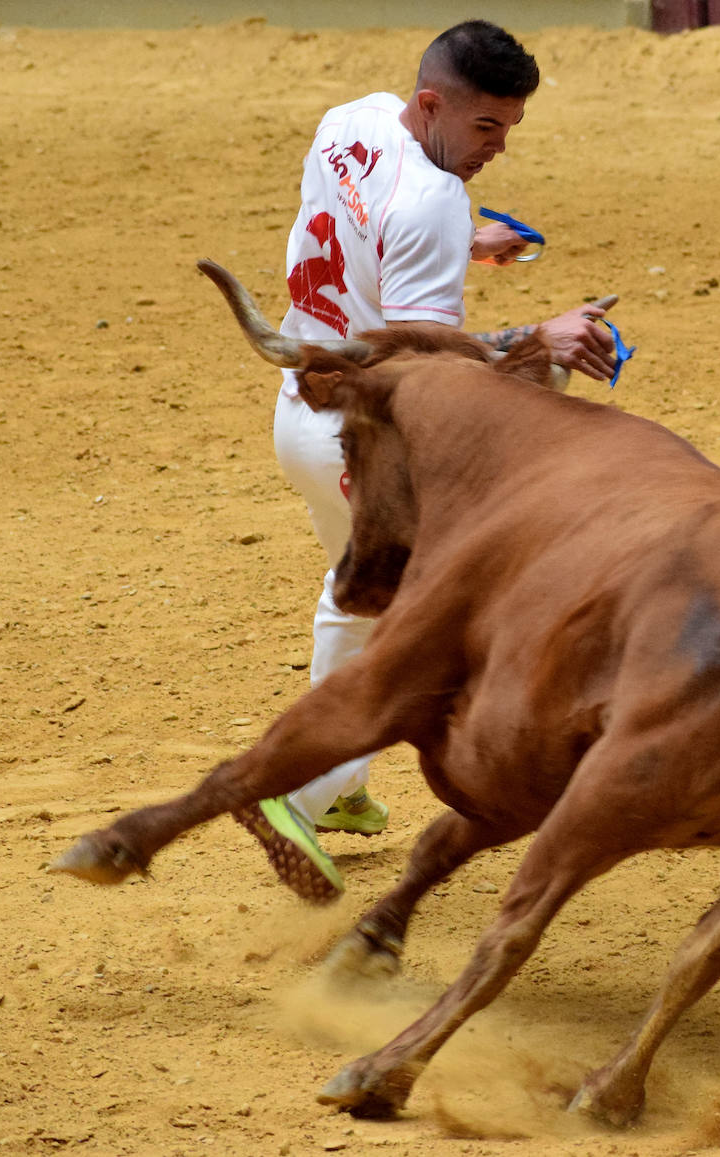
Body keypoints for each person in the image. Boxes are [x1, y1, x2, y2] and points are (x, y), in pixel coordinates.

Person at [237, 20, 617, 902]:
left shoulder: (353, 119)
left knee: (360, 595)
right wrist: (542, 336)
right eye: (485, 127)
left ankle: (338, 784)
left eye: (510, 129)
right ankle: (293, 789)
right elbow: (427, 370)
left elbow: (369, 218)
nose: (498, 148)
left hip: (300, 412)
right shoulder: (434, 204)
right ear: (433, 104)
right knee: (425, 620)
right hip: (368, 443)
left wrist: (466, 243)